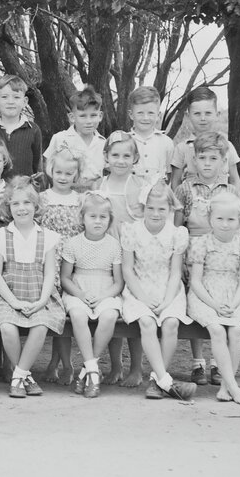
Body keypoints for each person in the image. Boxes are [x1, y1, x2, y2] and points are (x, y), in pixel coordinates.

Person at [186, 191, 240, 404]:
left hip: (234, 296)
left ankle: (226, 385)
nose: (225, 224)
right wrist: (214, 305)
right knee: (216, 329)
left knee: (236, 330)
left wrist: (233, 304)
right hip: (205, 296)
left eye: (231, 219)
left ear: (239, 221)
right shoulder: (201, 243)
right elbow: (195, 282)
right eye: (220, 219)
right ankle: (234, 387)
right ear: (210, 219)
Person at [120, 181, 197, 401]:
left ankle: (156, 379)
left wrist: (166, 301)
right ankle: (165, 381)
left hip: (168, 289)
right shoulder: (131, 230)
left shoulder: (177, 233)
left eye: (161, 209)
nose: (155, 213)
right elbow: (127, 270)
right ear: (143, 207)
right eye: (151, 208)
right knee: (147, 322)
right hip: (139, 288)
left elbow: (175, 272)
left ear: (170, 209)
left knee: (171, 323)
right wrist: (143, 298)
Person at [0, 177, 65, 398]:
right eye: (15, 203)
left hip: (39, 295)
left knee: (40, 325)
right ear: (8, 207)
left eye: (27, 203)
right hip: (9, 295)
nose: (21, 208)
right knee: (7, 327)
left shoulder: (48, 237)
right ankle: (25, 376)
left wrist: (42, 300)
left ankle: (18, 375)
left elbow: (50, 273)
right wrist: (13, 301)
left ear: (36, 205)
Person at [175, 131, 240, 384]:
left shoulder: (230, 191)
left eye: (213, 159)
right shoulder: (185, 189)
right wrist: (180, 259)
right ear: (194, 160)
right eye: (202, 158)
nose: (207, 164)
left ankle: (217, 363)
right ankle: (198, 361)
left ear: (223, 162)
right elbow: (178, 228)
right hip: (194, 255)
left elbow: (236, 229)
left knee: (220, 305)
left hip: (221, 258)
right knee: (197, 307)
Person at [60, 192, 124, 399]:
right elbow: (65, 278)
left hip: (106, 291)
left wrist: (104, 296)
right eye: (92, 216)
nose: (98, 221)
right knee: (77, 315)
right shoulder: (73, 243)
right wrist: (79, 294)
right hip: (79, 290)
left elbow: (118, 282)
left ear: (109, 220)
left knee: (110, 316)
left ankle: (88, 369)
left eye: (103, 217)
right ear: (83, 218)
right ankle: (93, 370)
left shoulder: (114, 245)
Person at [98, 130, 146, 387]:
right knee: (113, 308)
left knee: (133, 310)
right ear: (106, 157)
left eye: (126, 156)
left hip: (133, 255)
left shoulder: (140, 186)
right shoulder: (99, 185)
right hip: (107, 254)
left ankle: (136, 368)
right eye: (115, 155)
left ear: (135, 158)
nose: (120, 160)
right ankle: (115, 366)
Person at [38, 145, 84, 385]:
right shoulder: (42, 198)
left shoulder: (80, 200)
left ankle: (61, 364)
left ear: (76, 174)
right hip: (49, 263)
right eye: (59, 172)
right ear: (51, 171)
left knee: (68, 313)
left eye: (69, 173)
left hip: (73, 263)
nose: (63, 177)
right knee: (56, 313)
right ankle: (61, 363)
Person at [169, 86, 240, 192]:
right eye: (197, 114)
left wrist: (236, 200)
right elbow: (175, 182)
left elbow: (234, 180)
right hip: (192, 201)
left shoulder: (227, 146)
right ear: (188, 116)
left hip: (222, 201)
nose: (203, 118)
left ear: (217, 115)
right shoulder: (182, 149)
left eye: (208, 113)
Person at [0, 74, 43, 177]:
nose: (10, 102)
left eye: (16, 97)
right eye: (4, 97)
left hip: (24, 186)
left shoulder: (33, 130)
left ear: (24, 101)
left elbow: (36, 164)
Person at [43, 85, 106, 190]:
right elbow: (47, 167)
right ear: (72, 117)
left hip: (95, 196)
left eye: (93, 115)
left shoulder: (103, 143)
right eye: (83, 116)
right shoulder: (60, 139)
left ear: (100, 116)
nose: (89, 121)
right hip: (66, 194)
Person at [127, 86, 174, 185]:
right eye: (140, 113)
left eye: (151, 113)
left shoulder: (166, 142)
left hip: (157, 193)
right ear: (131, 114)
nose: (145, 118)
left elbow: (169, 174)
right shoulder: (124, 141)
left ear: (158, 115)